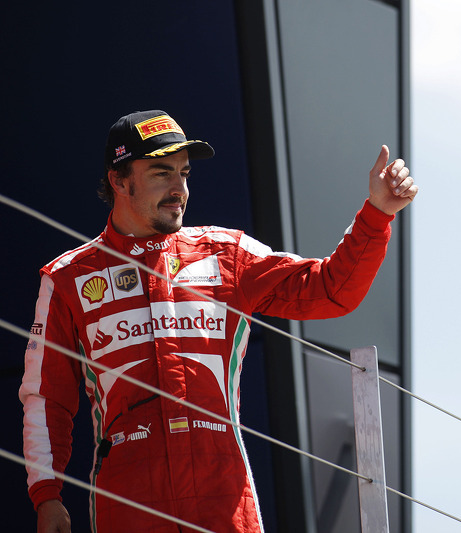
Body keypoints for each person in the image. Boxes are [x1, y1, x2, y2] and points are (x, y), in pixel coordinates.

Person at [20, 110, 418, 533]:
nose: (179, 189)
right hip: (127, 499)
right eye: (161, 173)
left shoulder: (227, 254)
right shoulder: (67, 279)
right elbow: (47, 399)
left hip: (225, 499)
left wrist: (377, 213)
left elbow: (330, 291)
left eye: (184, 173)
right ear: (119, 180)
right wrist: (47, 495)